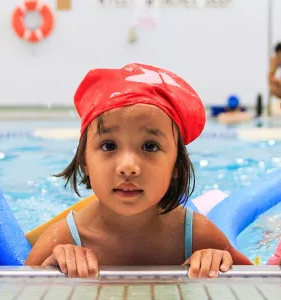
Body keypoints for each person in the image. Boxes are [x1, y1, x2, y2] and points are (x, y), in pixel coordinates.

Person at [26, 63, 252, 278]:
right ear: (85, 161)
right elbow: (16, 289)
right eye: (109, 146)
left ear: (176, 165)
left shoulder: (197, 235)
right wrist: (49, 274)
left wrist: (220, 263)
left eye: (150, 146)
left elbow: (261, 285)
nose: (128, 167)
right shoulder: (64, 239)